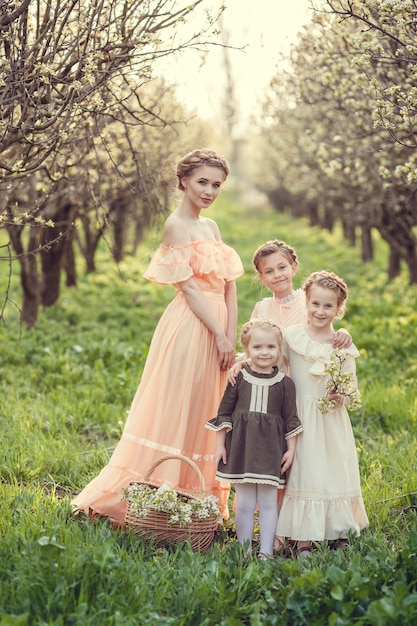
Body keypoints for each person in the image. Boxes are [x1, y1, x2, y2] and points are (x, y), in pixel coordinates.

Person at [72, 148, 244, 525]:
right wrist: (218, 333)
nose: (209, 191)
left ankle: (197, 500)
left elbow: (229, 285)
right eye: (202, 182)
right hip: (191, 325)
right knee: (180, 401)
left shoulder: (211, 227)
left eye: (216, 184)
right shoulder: (175, 225)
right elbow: (191, 289)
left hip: (219, 327)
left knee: (208, 407)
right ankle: (159, 498)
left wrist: (231, 332)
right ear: (183, 181)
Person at [228, 239, 352, 551]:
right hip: (270, 392)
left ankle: (300, 527)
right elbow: (257, 343)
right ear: (261, 277)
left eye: (282, 267)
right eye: (269, 271)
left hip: (303, 392)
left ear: (294, 268)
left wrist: (344, 333)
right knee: (275, 458)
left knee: (302, 461)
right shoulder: (262, 308)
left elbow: (325, 330)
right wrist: (242, 361)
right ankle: (278, 528)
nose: (278, 274)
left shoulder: (308, 302)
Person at [276, 270, 369, 557]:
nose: (320, 310)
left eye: (328, 306)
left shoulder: (341, 345)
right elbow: (275, 369)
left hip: (330, 419)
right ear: (307, 301)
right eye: (315, 303)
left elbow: (350, 390)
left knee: (334, 471)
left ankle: (339, 531)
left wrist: (338, 396)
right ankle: (305, 536)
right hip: (301, 418)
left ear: (338, 309)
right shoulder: (291, 337)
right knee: (306, 473)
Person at [206, 318, 303, 559]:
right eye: (257, 347)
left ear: (279, 350)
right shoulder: (237, 378)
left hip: (271, 450)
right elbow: (224, 413)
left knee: (269, 501)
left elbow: (291, 419)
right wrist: (220, 446)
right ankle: (244, 550)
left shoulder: (285, 384)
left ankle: (266, 551)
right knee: (246, 500)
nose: (264, 352)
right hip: (242, 448)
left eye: (270, 347)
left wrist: (291, 450)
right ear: (247, 350)